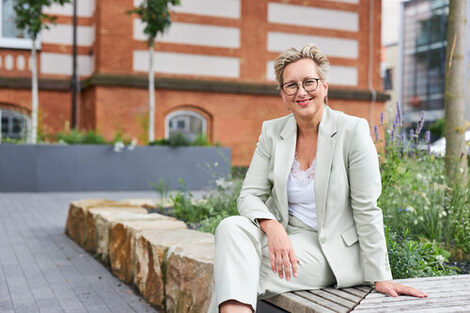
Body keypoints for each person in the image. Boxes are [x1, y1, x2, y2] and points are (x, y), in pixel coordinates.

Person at [207, 43, 427, 313]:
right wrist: (272, 227)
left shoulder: (352, 131)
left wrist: (381, 275)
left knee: (235, 268)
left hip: (330, 249)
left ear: (324, 86)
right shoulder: (272, 132)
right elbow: (249, 195)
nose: (301, 92)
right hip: (286, 235)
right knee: (230, 227)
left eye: (309, 82)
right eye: (291, 85)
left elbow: (367, 207)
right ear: (283, 95)